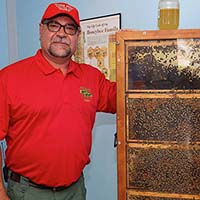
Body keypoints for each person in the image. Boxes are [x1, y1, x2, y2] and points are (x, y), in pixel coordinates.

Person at [0, 2, 116, 200]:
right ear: (41, 29)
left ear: (77, 36)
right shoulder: (8, 78)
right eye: (54, 25)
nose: (62, 33)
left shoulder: (92, 78)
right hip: (26, 192)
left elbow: (128, 97)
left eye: (70, 28)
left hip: (75, 190)